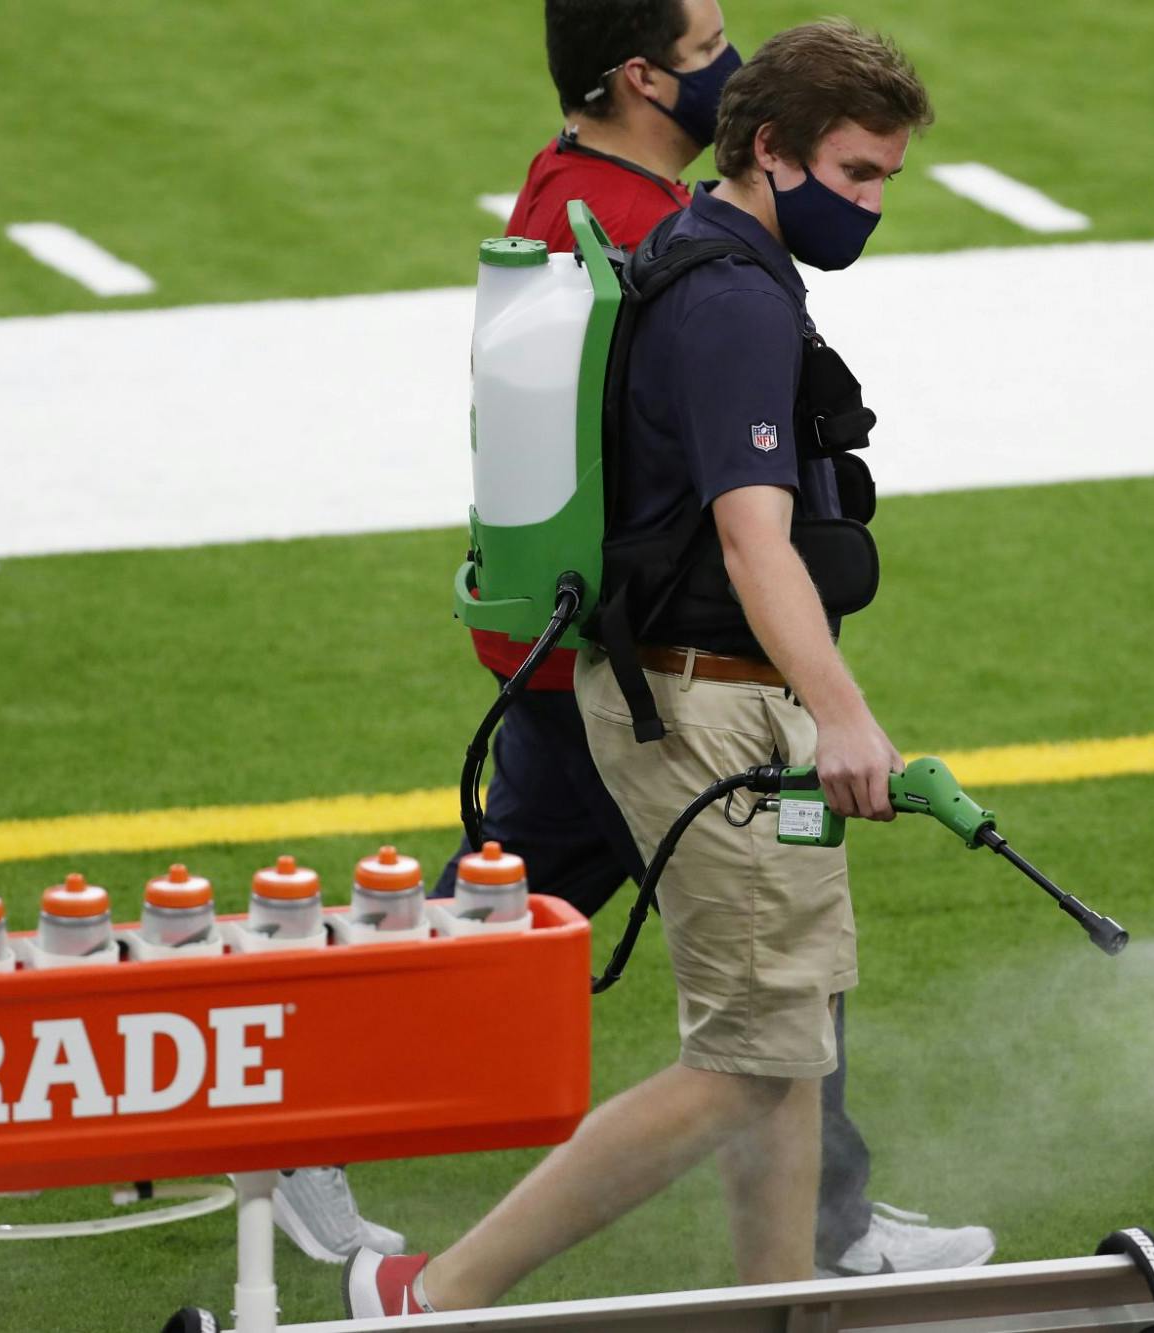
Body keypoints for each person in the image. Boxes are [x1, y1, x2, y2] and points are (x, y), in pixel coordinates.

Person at [349, 22, 965, 1315]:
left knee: (785, 1051)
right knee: (742, 1064)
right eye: (856, 176)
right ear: (770, 151)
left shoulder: (703, 248)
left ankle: (776, 1306)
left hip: (712, 695)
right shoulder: (735, 297)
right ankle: (438, 1295)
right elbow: (754, 538)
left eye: (885, 183)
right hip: (706, 705)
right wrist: (849, 719)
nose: (870, 208)